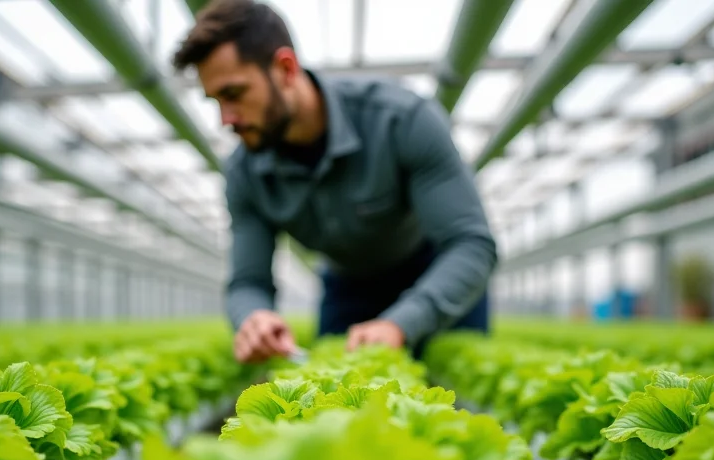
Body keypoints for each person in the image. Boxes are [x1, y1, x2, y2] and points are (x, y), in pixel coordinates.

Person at [172, 0, 497, 363]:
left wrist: (401, 323)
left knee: (455, 390)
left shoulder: (401, 120)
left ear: (285, 68)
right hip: (348, 284)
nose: (225, 119)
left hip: (436, 275)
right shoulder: (244, 173)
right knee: (335, 399)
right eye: (215, 100)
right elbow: (248, 282)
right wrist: (253, 317)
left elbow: (471, 244)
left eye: (234, 94)